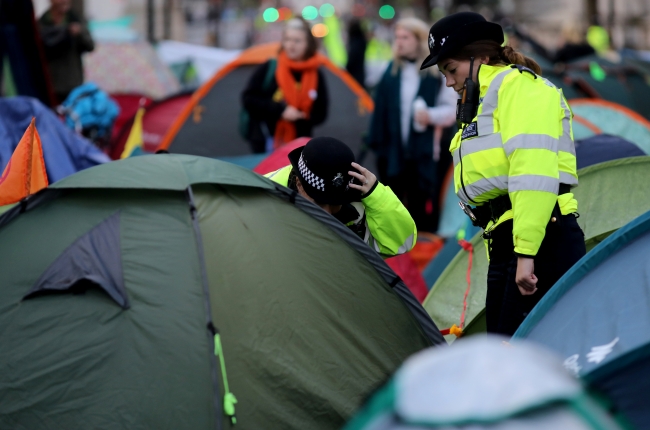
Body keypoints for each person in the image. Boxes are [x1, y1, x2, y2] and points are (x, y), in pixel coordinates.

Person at [420, 12, 585, 335]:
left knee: (519, 351)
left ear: (480, 56)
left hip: (541, 235)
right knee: (504, 346)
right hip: (507, 235)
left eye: (450, 69)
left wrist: (526, 253)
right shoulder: (481, 100)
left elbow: (533, 172)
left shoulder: (519, 87)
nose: (448, 81)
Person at [367, 18, 457, 233]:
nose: (399, 42)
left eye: (405, 37)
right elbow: (380, 112)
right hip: (394, 151)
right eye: (397, 37)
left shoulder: (436, 72)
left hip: (426, 152)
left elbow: (451, 108)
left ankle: (422, 251)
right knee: (394, 204)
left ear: (418, 40)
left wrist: (431, 116)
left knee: (423, 204)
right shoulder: (390, 71)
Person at [265, 137, 416, 258]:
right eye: (320, 203)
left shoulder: (362, 203)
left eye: (336, 203)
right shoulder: (264, 196)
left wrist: (377, 196)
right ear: (299, 184)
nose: (328, 214)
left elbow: (402, 243)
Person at [242, 18, 329, 153]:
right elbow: (248, 99)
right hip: (267, 141)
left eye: (297, 41)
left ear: (308, 44)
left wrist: (301, 116)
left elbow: (321, 113)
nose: (291, 45)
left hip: (301, 144)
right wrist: (281, 111)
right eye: (287, 39)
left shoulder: (316, 74)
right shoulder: (270, 67)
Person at [38, 0, 94, 104]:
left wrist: (79, 33)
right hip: (49, 83)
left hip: (72, 82)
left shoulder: (75, 19)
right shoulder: (43, 22)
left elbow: (90, 46)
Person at [345, 19, 368, 88]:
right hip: (360, 73)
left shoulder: (355, 43)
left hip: (354, 76)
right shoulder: (361, 41)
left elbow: (352, 60)